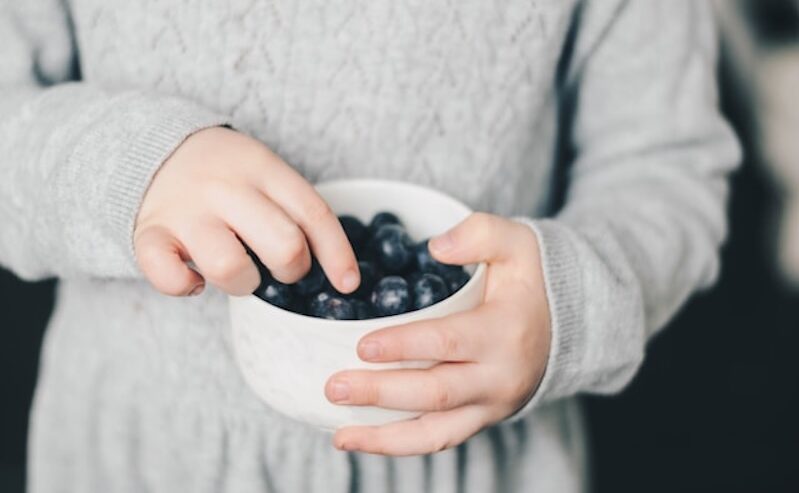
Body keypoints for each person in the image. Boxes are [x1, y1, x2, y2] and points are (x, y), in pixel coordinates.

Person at [0, 1, 740, 492]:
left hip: (477, 465)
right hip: (137, 458)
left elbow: (666, 164)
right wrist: (125, 170)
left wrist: (569, 304)